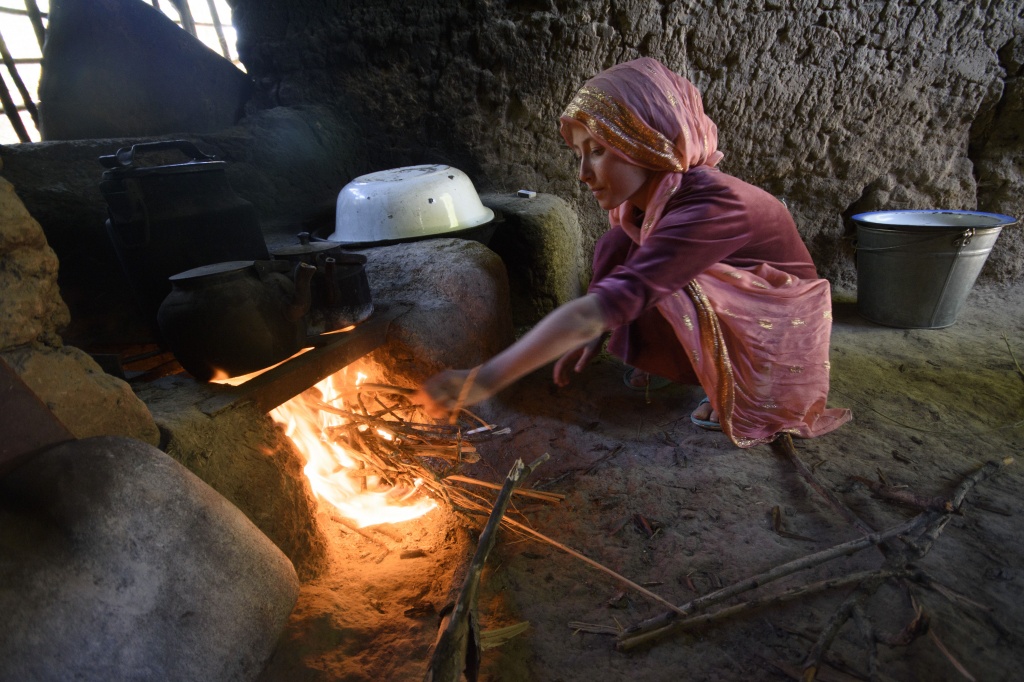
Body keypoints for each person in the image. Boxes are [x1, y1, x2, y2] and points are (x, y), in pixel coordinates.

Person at [417, 57, 851, 447]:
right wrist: (595, 333)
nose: (584, 173)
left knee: (649, 274)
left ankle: (752, 386)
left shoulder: (710, 204)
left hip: (781, 321)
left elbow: (611, 301)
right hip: (736, 297)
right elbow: (612, 287)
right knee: (618, 245)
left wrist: (483, 379)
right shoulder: (654, 201)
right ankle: (675, 361)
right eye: (580, 154)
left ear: (648, 143)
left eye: (600, 151)